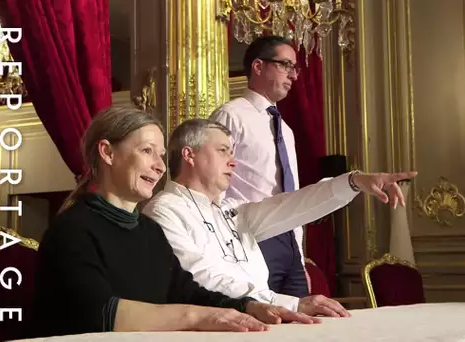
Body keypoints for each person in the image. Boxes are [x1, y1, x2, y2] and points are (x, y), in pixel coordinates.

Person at [29, 107, 314, 338]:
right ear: (107, 152)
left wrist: (250, 306)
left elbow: (187, 292)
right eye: (147, 151)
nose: (161, 166)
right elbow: (99, 312)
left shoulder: (148, 230)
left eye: (162, 156)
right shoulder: (72, 229)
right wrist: (198, 317)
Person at [142, 119, 416, 315]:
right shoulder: (164, 210)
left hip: (261, 320)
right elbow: (200, 278)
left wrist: (354, 182)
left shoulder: (233, 211)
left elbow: (295, 206)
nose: (233, 161)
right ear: (189, 155)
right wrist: (289, 303)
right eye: (223, 150)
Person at [209, 35, 310, 297]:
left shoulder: (286, 130)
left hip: (289, 246)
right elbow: (212, 185)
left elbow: (292, 193)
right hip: (252, 238)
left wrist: (298, 254)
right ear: (258, 66)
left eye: (294, 68)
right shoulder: (231, 116)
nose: (293, 76)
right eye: (285, 65)